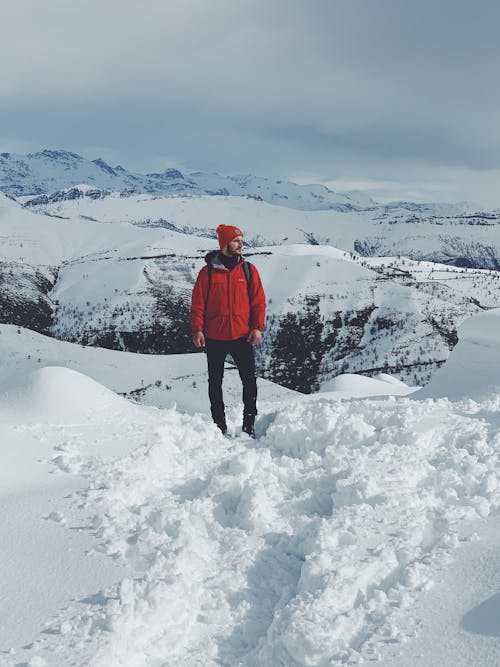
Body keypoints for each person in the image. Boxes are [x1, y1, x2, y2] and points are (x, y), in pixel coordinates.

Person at [190, 224, 266, 437]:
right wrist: (197, 329)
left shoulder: (249, 270)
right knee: (215, 382)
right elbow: (198, 304)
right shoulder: (207, 273)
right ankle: (218, 424)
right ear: (224, 244)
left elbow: (259, 302)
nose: (241, 244)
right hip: (215, 337)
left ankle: (249, 423)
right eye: (236, 241)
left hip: (242, 335)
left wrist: (257, 328)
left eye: (241, 240)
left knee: (249, 381)